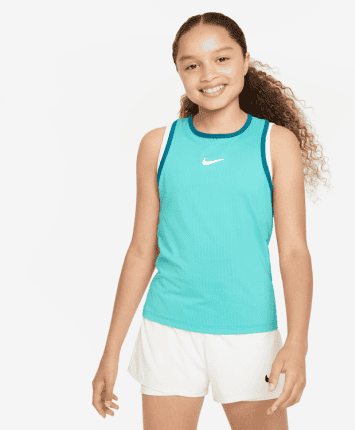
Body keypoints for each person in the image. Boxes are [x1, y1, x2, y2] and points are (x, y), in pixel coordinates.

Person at [92, 11, 330, 430]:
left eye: (222, 59)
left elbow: (294, 252)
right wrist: (110, 352)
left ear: (245, 60)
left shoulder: (276, 143)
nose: (208, 75)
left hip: (250, 335)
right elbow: (141, 251)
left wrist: (298, 343)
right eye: (192, 65)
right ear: (179, 72)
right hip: (167, 331)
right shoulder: (158, 145)